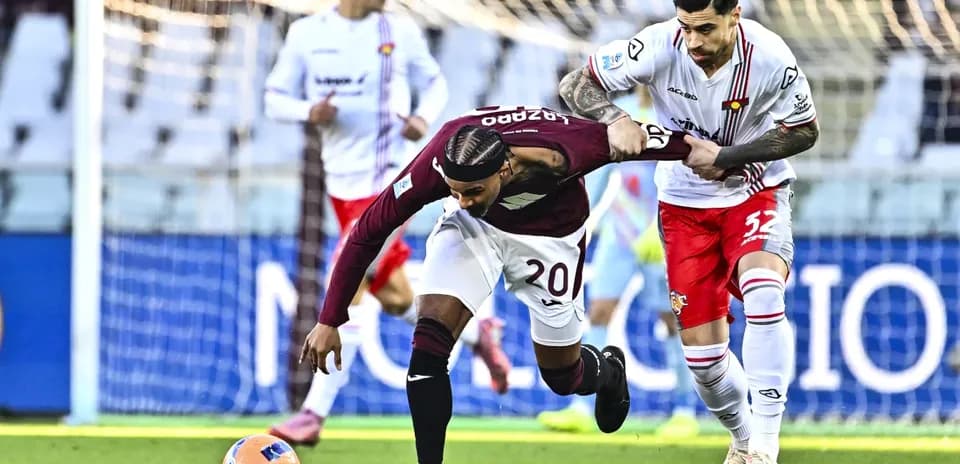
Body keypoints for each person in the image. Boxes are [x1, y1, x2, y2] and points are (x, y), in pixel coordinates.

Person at [299, 105, 692, 463]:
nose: (462, 197)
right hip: (477, 229)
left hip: (552, 238)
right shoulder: (438, 162)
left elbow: (665, 142)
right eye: (454, 191)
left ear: (504, 170)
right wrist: (331, 318)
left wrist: (720, 156)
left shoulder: (568, 147)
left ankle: (607, 371)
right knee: (428, 343)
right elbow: (368, 231)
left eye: (472, 191)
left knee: (562, 376)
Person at [559, 1, 818, 463]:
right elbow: (575, 83)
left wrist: (727, 157)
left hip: (754, 190)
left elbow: (804, 130)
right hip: (682, 207)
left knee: (764, 292)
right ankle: (741, 439)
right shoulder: (658, 46)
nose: (693, 41)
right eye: (686, 28)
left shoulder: (771, 56)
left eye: (705, 28)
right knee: (705, 364)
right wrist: (615, 119)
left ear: (734, 15)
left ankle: (765, 445)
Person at [262, 0, 510, 445]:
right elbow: (273, 97)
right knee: (397, 300)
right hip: (341, 184)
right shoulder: (307, 34)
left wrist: (421, 117)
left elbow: (434, 84)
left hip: (389, 185)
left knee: (349, 278)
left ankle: (313, 413)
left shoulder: (398, 31)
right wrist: (308, 112)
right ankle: (478, 336)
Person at [537, 89, 699, 437]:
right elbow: (601, 168)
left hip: (660, 233)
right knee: (598, 310)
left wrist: (666, 227)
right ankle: (581, 405)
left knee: (673, 319)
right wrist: (583, 219)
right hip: (621, 230)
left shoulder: (675, 112)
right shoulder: (621, 111)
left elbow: (684, 174)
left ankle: (685, 410)